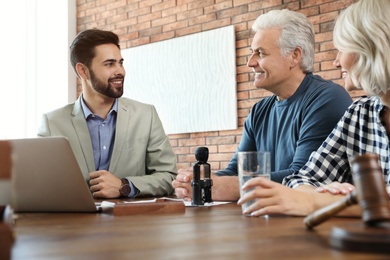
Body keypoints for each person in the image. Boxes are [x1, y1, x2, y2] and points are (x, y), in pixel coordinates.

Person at [172, 9, 352, 201]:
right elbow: (235, 171)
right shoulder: (259, 110)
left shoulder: (328, 98)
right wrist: (197, 181)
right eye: (252, 53)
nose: (250, 62)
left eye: (260, 53)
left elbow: (302, 177)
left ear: (294, 55)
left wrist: (219, 187)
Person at [238, 0, 390, 217]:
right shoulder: (360, 113)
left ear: (375, 48)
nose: (337, 62)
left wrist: (315, 202)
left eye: (342, 49)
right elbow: (302, 178)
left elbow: (305, 196)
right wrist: (316, 195)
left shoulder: (327, 97)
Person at [38, 29, 177, 199]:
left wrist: (124, 186)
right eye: (109, 64)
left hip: (131, 223)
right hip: (73, 223)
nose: (121, 71)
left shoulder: (146, 115)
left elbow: (169, 177)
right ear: (83, 71)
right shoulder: (52, 123)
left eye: (120, 62)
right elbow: (41, 185)